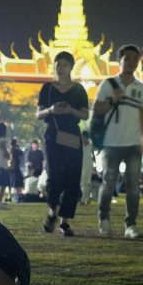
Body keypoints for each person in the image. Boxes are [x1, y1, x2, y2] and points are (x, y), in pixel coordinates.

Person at [92, 44, 143, 239]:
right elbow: (96, 110)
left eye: (135, 58)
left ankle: (130, 224)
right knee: (108, 184)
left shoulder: (142, 89)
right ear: (120, 61)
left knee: (133, 187)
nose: (132, 61)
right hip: (111, 144)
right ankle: (104, 218)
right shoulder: (108, 85)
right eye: (128, 58)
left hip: (133, 145)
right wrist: (113, 100)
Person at [36, 51, 89, 236]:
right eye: (58, 64)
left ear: (71, 67)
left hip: (72, 135)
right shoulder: (48, 88)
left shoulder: (79, 89)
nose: (61, 68)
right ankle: (52, 212)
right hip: (52, 135)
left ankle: (65, 222)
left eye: (65, 65)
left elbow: (85, 114)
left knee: (72, 177)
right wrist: (51, 109)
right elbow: (38, 114)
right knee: (54, 174)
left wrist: (70, 110)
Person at [80, 131, 94, 205]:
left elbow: (93, 155)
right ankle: (84, 199)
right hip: (82, 164)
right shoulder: (80, 145)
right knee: (82, 182)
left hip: (88, 164)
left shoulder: (90, 146)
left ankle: (87, 199)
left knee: (87, 181)